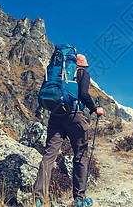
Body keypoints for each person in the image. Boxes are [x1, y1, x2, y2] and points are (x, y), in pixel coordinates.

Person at [34, 54, 104, 206]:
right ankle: (79, 199)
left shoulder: (55, 73)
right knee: (80, 156)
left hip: (55, 116)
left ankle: (39, 199)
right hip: (74, 117)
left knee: (48, 157)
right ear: (81, 65)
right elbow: (84, 94)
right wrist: (94, 108)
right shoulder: (82, 74)